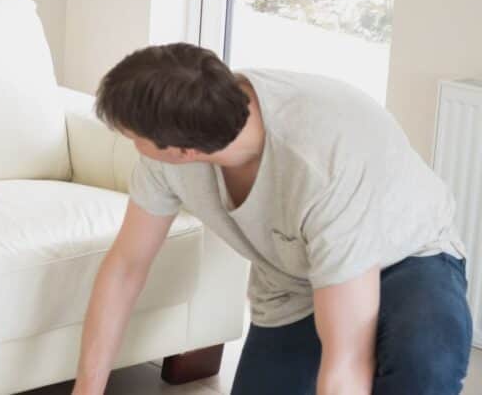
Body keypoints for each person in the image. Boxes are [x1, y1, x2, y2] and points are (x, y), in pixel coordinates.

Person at [71, 43, 472, 395]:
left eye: (132, 136)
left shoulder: (320, 164)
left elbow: (346, 364)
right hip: (294, 280)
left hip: (409, 256)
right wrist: (87, 389)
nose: (131, 144)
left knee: (424, 359)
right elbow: (126, 267)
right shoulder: (175, 146)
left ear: (184, 151)